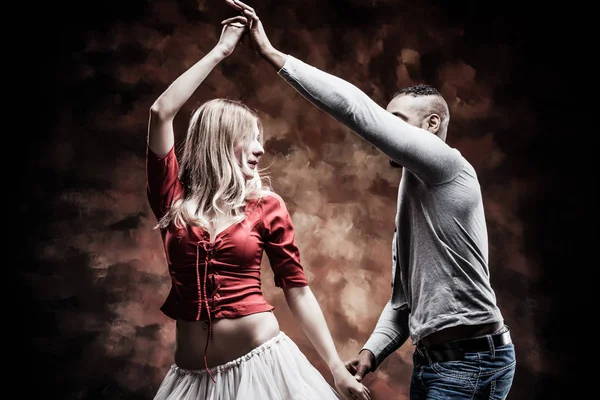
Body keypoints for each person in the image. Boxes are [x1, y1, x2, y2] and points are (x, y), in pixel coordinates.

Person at [225, 1, 517, 399]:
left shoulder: (449, 166)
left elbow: (358, 110)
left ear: (432, 125)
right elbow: (404, 303)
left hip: (470, 362)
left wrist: (272, 55)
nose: (386, 131)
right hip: (437, 362)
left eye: (397, 121)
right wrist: (370, 353)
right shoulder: (413, 185)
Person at [146, 14, 371, 400]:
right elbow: (160, 111)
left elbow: (298, 290)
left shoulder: (266, 206)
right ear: (220, 141)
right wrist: (221, 51)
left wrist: (335, 368)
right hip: (192, 381)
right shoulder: (172, 199)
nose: (260, 149)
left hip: (264, 370)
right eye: (250, 138)